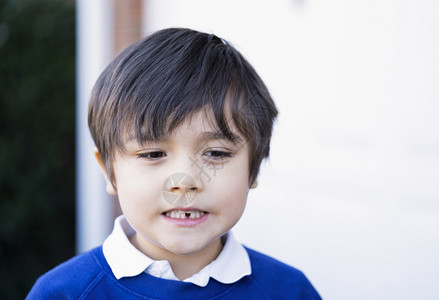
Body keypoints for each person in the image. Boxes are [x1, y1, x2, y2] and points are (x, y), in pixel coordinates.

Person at [27, 28, 321, 299]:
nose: (184, 180)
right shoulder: (63, 293)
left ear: (253, 168)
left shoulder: (290, 291)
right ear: (109, 171)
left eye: (216, 153)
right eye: (153, 154)